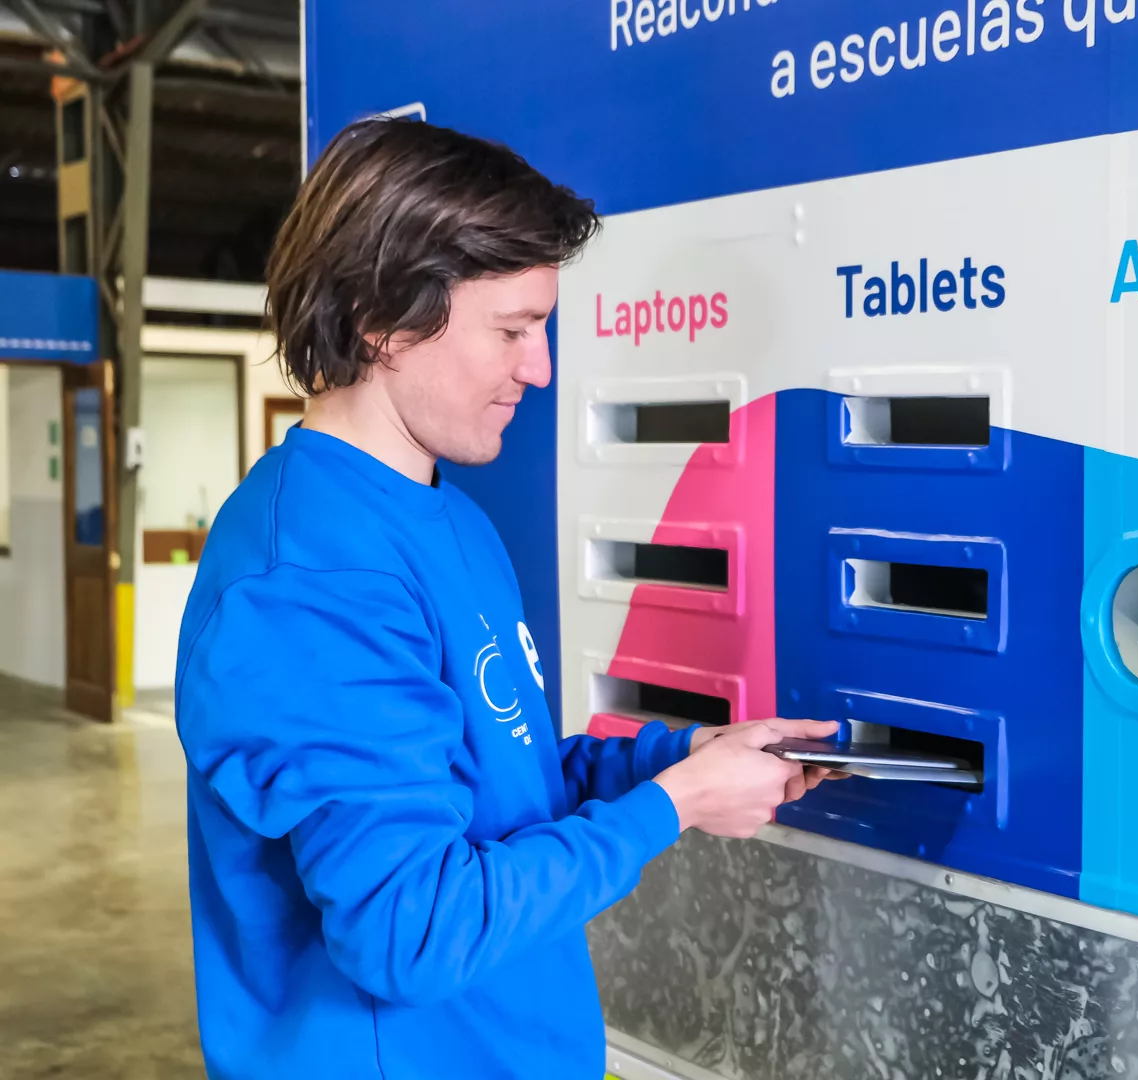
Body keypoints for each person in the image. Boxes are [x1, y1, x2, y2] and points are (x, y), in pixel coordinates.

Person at [174, 118, 839, 1080]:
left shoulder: (449, 516)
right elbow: (412, 932)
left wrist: (679, 759)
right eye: (512, 330)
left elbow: (498, 785)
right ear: (382, 317)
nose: (541, 367)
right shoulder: (308, 582)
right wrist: (675, 806)